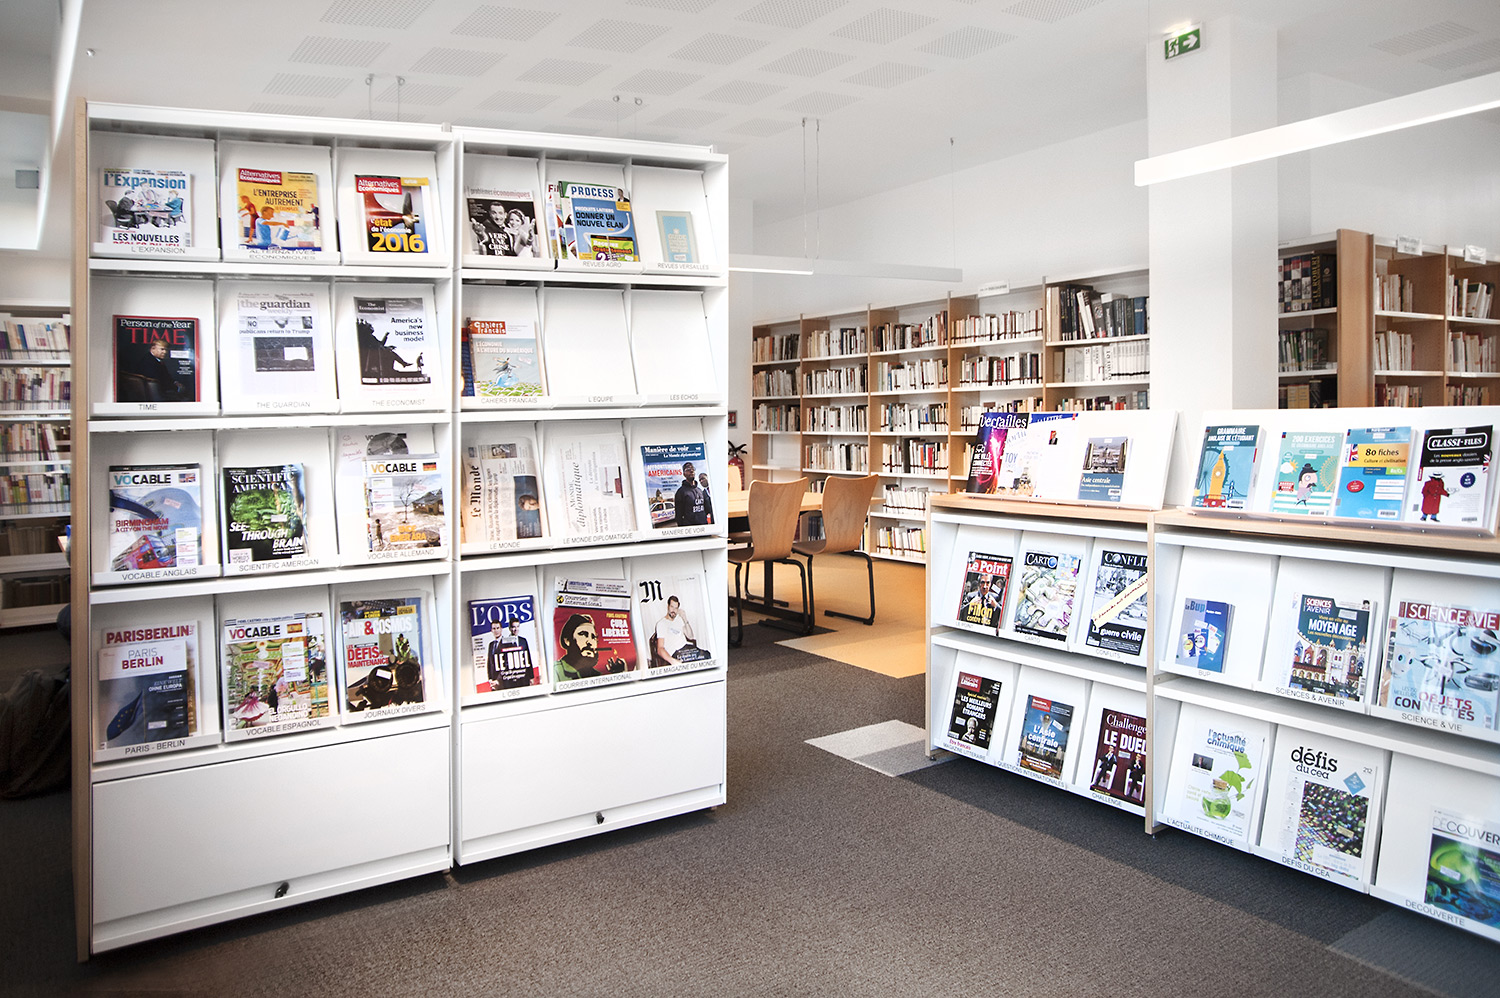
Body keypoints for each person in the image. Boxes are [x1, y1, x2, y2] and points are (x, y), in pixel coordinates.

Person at [652, 596, 709, 666]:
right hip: (675, 652)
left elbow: (691, 636)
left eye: (676, 608)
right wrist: (672, 661)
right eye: (672, 607)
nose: (673, 610)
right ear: (668, 606)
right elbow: (660, 649)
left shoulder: (679, 619)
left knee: (707, 655)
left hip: (686, 648)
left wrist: (684, 618)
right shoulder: (661, 624)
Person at [556, 613, 604, 681]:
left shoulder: (597, 674)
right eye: (583, 634)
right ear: (567, 641)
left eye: (593, 637)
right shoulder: (555, 672)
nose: (590, 642)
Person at [673, 461, 713, 526]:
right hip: (690, 528)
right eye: (688, 469)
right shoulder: (681, 492)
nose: (691, 471)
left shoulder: (700, 491)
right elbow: (678, 515)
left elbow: (707, 509)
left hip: (704, 527)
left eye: (693, 469)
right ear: (684, 474)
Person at [484, 619, 508, 687]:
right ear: (491, 630)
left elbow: (507, 664)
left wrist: (498, 680)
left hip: (504, 681)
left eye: (498, 628)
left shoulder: (507, 643)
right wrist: (490, 679)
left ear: (501, 629)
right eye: (494, 629)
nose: (496, 630)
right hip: (493, 682)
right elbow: (489, 663)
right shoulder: (491, 645)